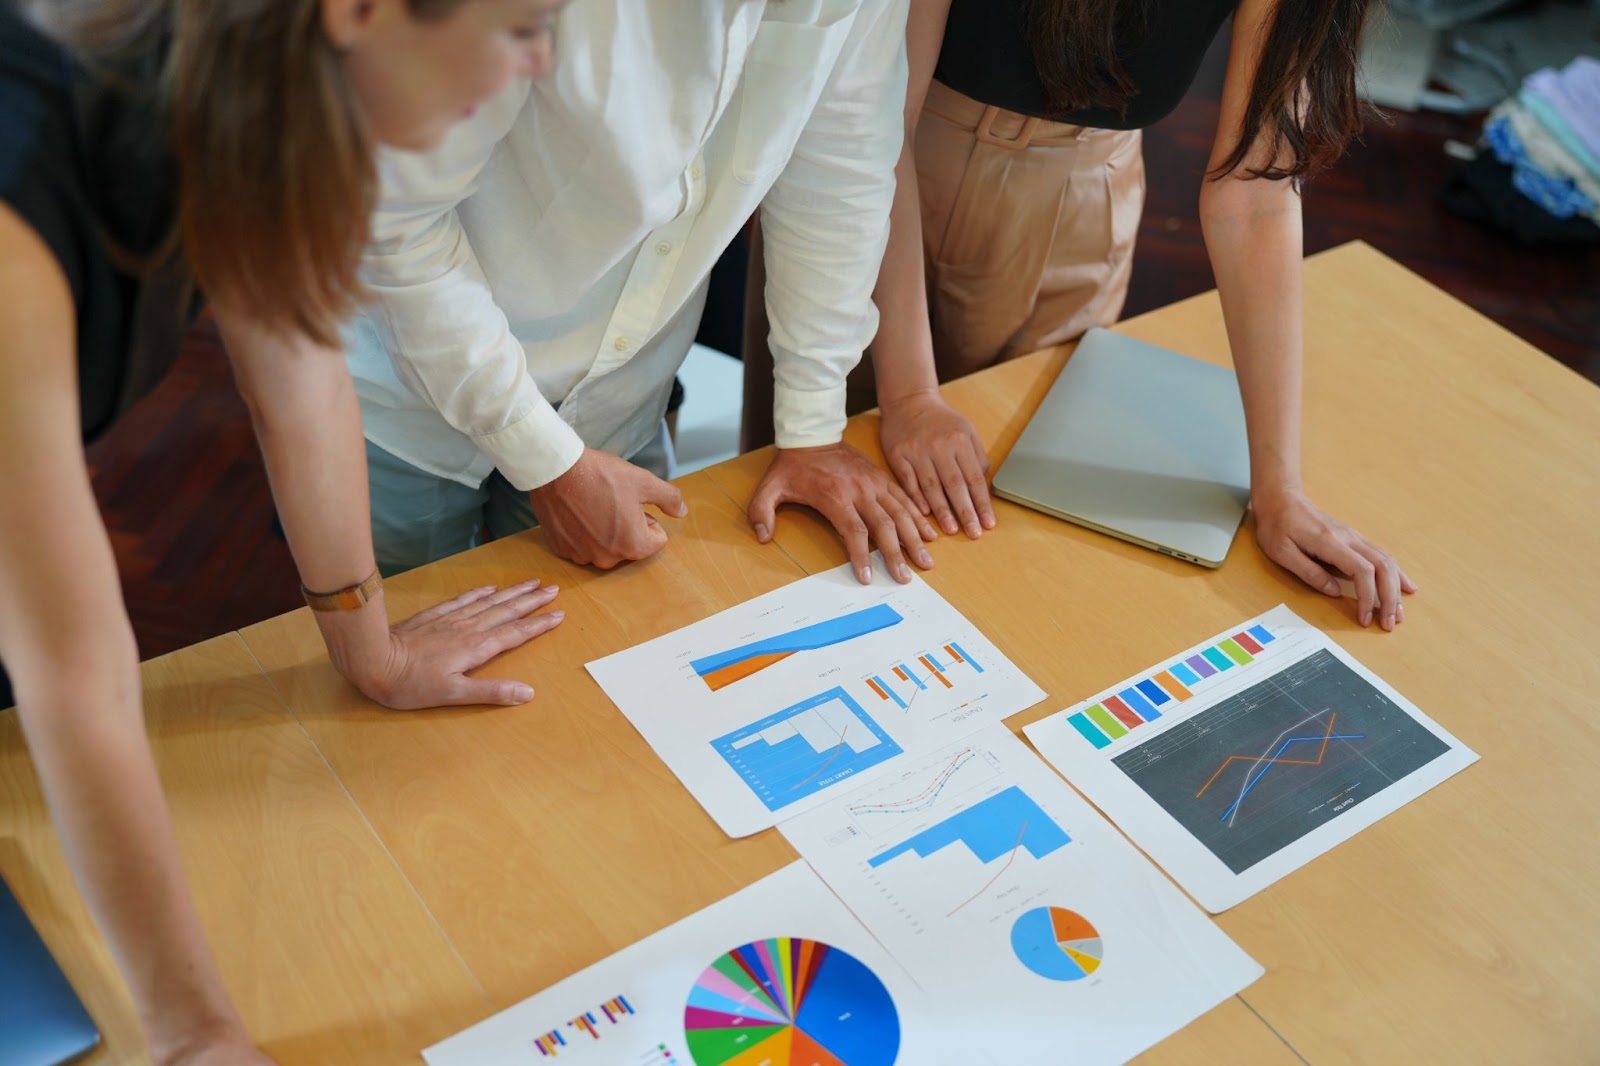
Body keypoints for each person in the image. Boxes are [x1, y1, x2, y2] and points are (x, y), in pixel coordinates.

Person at [0, 1, 566, 1061]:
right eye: (523, 23)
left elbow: (301, 381)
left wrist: (376, 652)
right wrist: (194, 1035)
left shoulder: (254, 108)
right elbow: (75, 673)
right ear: (356, 12)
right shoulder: (19, 214)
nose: (542, 61)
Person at [748, 0, 1417, 632]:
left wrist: (1279, 491)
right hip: (877, 195)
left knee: (1025, 552)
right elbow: (872, 129)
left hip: (1088, 205)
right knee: (815, 533)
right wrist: (913, 395)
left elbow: (1258, 189)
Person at [345, 0, 941, 590]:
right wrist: (544, 457)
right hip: (406, 386)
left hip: (618, 395)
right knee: (411, 628)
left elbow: (841, 168)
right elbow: (397, 222)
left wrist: (813, 428)